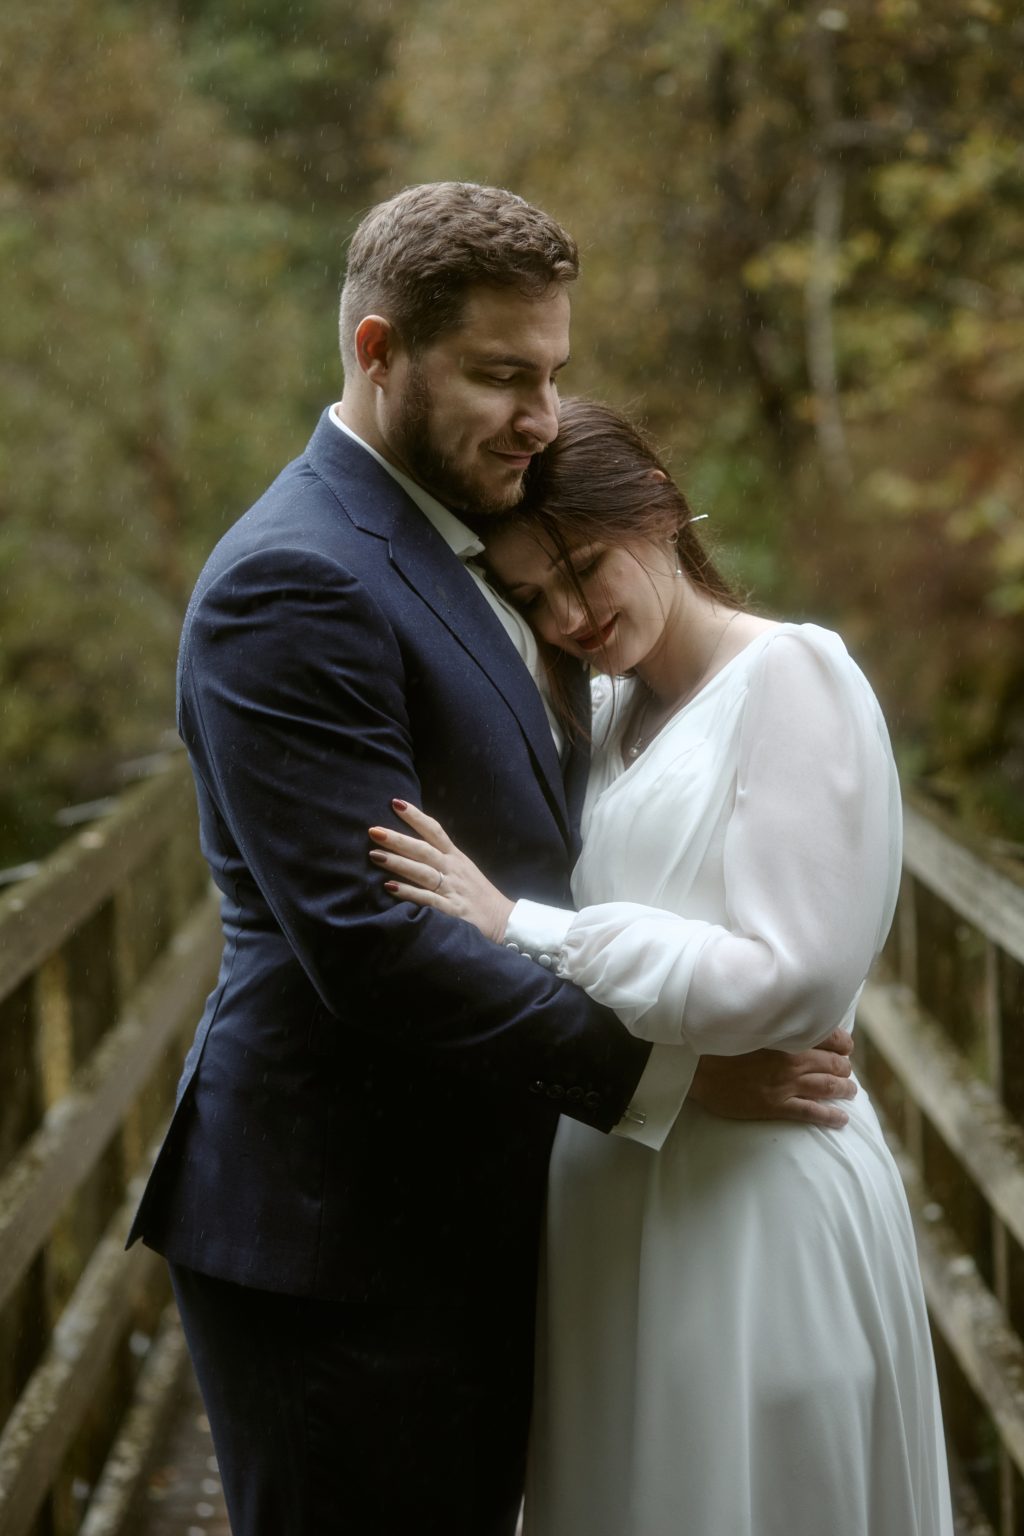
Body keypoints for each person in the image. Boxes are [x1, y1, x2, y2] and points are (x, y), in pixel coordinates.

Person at [127, 185, 858, 1536]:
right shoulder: (293, 580)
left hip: (468, 1209)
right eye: (500, 375)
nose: (539, 415)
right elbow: (374, 943)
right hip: (336, 1238)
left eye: (555, 374)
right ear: (378, 349)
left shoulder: (468, 540)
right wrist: (673, 1081)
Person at [370, 398, 954, 1536]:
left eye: (584, 569)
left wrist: (527, 929)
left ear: (660, 514)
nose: (571, 615)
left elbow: (790, 981)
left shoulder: (794, 676)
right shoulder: (600, 711)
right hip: (616, 1195)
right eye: (535, 597)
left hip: (755, 1203)